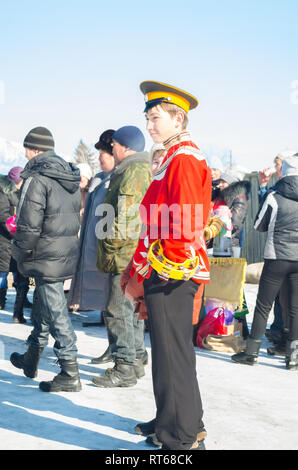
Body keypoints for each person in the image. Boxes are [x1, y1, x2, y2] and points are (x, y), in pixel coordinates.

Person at [126, 80, 212, 450]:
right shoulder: (172, 156)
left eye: (156, 118)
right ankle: (176, 419)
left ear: (178, 119)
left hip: (172, 270)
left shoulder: (185, 158)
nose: (150, 126)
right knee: (168, 350)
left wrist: (159, 267)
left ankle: (180, 437)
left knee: (172, 351)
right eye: (147, 118)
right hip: (164, 267)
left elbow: (186, 222)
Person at [10, 126, 82, 392]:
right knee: (44, 303)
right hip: (63, 253)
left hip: (43, 254)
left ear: (34, 150)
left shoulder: (37, 178)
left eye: (27, 149)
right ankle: (32, 357)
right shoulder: (68, 177)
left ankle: (69, 369)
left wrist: (20, 255)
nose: (26, 154)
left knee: (56, 312)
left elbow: (27, 226)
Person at [91, 125, 151, 387]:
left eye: (114, 145)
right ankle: (136, 359)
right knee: (133, 310)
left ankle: (124, 366)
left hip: (125, 253)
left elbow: (124, 217)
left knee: (118, 310)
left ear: (125, 147)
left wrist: (111, 247)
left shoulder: (131, 172)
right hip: (137, 252)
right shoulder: (143, 168)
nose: (111, 149)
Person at [231, 153, 298, 370]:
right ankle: (293, 357)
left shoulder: (274, 195)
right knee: (295, 309)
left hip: (276, 256)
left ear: (284, 172)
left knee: (263, 306)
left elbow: (258, 225)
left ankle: (251, 354)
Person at [67, 130, 115, 320]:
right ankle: (114, 347)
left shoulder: (116, 181)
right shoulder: (99, 180)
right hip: (93, 251)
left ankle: (122, 349)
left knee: (116, 309)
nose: (100, 157)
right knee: (108, 306)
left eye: (103, 152)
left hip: (108, 254)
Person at [0, 166, 30, 323]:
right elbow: (4, 216)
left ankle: (18, 310)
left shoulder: (19, 193)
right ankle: (2, 302)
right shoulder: (4, 194)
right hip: (6, 240)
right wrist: (14, 226)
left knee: (20, 274)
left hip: (17, 239)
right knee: (3, 273)